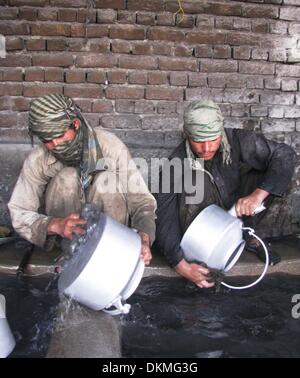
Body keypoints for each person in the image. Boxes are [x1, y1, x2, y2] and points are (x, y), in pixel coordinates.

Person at [154, 99, 296, 288]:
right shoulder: (176, 162)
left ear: (221, 132)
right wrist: (181, 266)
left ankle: (247, 236)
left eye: (213, 139)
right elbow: (164, 217)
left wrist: (258, 195)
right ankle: (203, 255)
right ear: (187, 135)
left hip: (234, 212)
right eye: (198, 140)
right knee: (195, 180)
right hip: (203, 227)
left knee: (274, 174)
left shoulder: (239, 140)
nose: (207, 148)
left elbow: (285, 154)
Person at [8, 93, 157, 265]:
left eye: (60, 135)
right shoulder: (38, 159)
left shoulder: (110, 147)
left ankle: (110, 249)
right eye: (47, 139)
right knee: (67, 177)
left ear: (75, 124)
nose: (55, 144)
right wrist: (54, 224)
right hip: (66, 240)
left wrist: (144, 237)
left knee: (106, 181)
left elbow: (142, 202)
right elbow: (18, 211)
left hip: (113, 241)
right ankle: (70, 251)